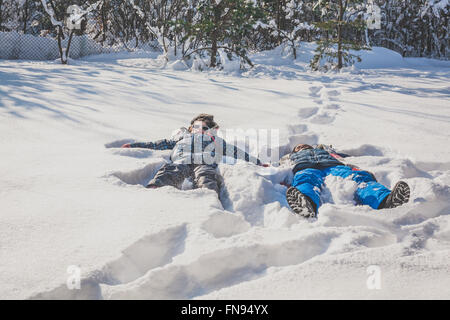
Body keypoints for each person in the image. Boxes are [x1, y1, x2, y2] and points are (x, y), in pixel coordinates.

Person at [121, 114, 263, 194]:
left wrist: (257, 162)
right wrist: (134, 146)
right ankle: (156, 189)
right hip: (182, 160)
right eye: (195, 127)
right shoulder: (182, 137)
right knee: (169, 171)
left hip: (205, 161)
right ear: (190, 128)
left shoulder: (216, 140)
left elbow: (236, 151)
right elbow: (157, 144)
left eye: (205, 127)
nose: (199, 129)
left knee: (206, 176)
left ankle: (208, 195)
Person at [285, 143, 410, 218]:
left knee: (357, 179)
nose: (302, 146)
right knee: (305, 180)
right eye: (298, 147)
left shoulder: (323, 150)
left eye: (304, 145)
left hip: (333, 166)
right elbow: (280, 165)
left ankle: (384, 200)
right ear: (294, 151)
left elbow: (344, 156)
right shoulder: (289, 157)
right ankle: (306, 203)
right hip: (306, 167)